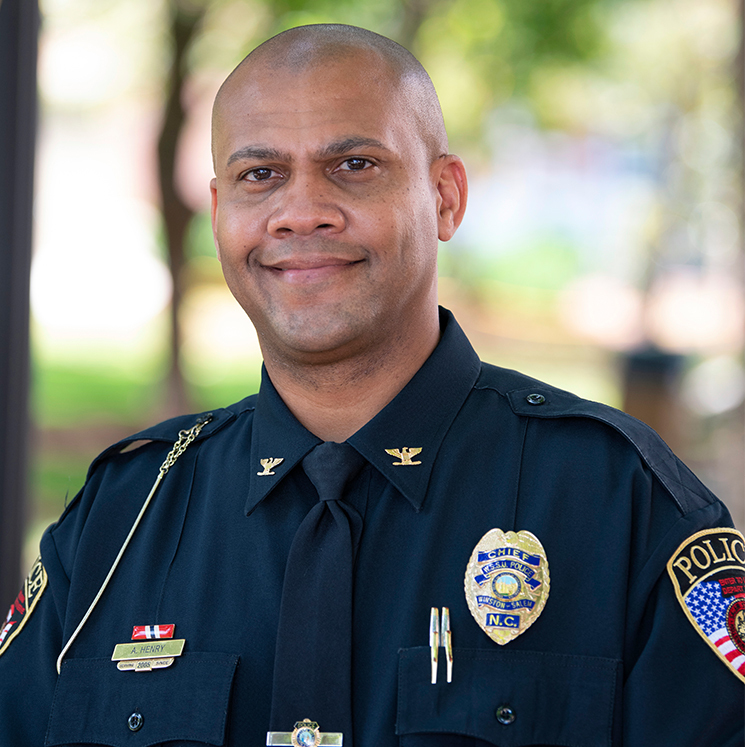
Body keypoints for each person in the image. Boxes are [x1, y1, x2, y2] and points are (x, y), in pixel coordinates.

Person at [0, 23, 743, 747]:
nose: (299, 212)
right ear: (221, 212)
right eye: (261, 175)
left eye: (353, 164)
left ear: (446, 196)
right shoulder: (121, 517)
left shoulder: (622, 503)